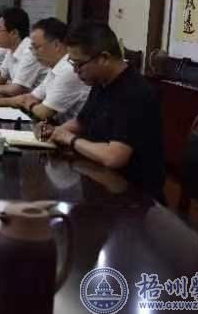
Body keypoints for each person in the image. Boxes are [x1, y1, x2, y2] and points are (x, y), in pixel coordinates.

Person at [40, 22, 165, 200]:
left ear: (104, 58)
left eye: (79, 64)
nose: (75, 71)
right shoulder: (101, 82)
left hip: (133, 196)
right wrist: (54, 131)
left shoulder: (135, 92)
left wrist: (70, 139)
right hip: (99, 178)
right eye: (72, 64)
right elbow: (81, 122)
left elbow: (114, 157)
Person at [0, 18, 90, 123]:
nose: (33, 53)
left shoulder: (68, 70)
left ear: (56, 45)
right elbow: (31, 97)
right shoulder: (55, 68)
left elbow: (44, 112)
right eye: (31, 48)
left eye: (36, 47)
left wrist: (30, 104)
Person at [0, 7, 46, 95]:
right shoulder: (11, 49)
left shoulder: (30, 51)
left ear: (14, 33)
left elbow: (17, 89)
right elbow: (2, 78)